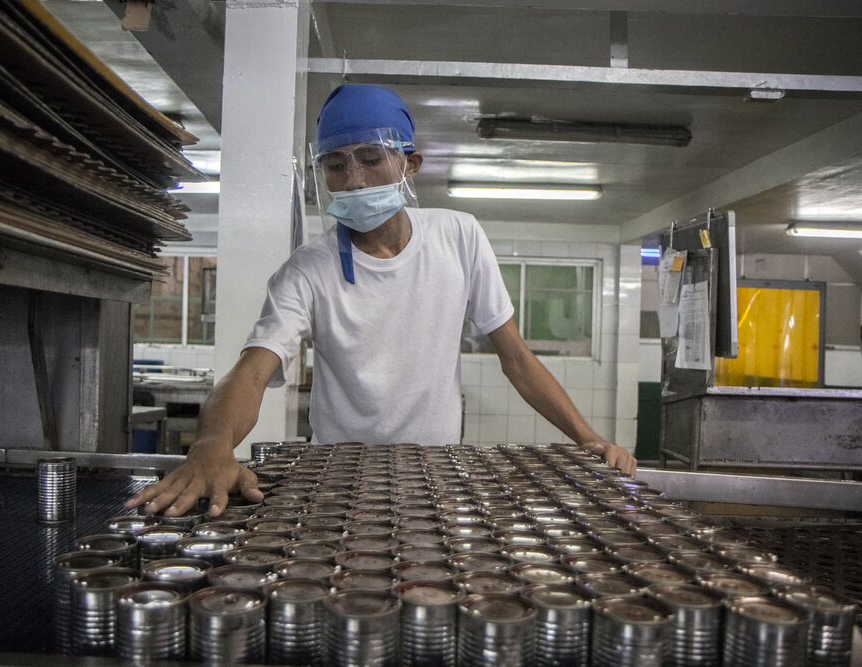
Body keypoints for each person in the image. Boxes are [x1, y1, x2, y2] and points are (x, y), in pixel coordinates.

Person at [126, 84, 637, 518]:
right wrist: (213, 444)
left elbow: (517, 360)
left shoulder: (458, 236)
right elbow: (253, 371)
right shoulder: (308, 270)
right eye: (335, 165)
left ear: (409, 163)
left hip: (434, 476)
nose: (354, 181)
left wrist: (586, 438)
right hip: (337, 479)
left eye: (371, 160)